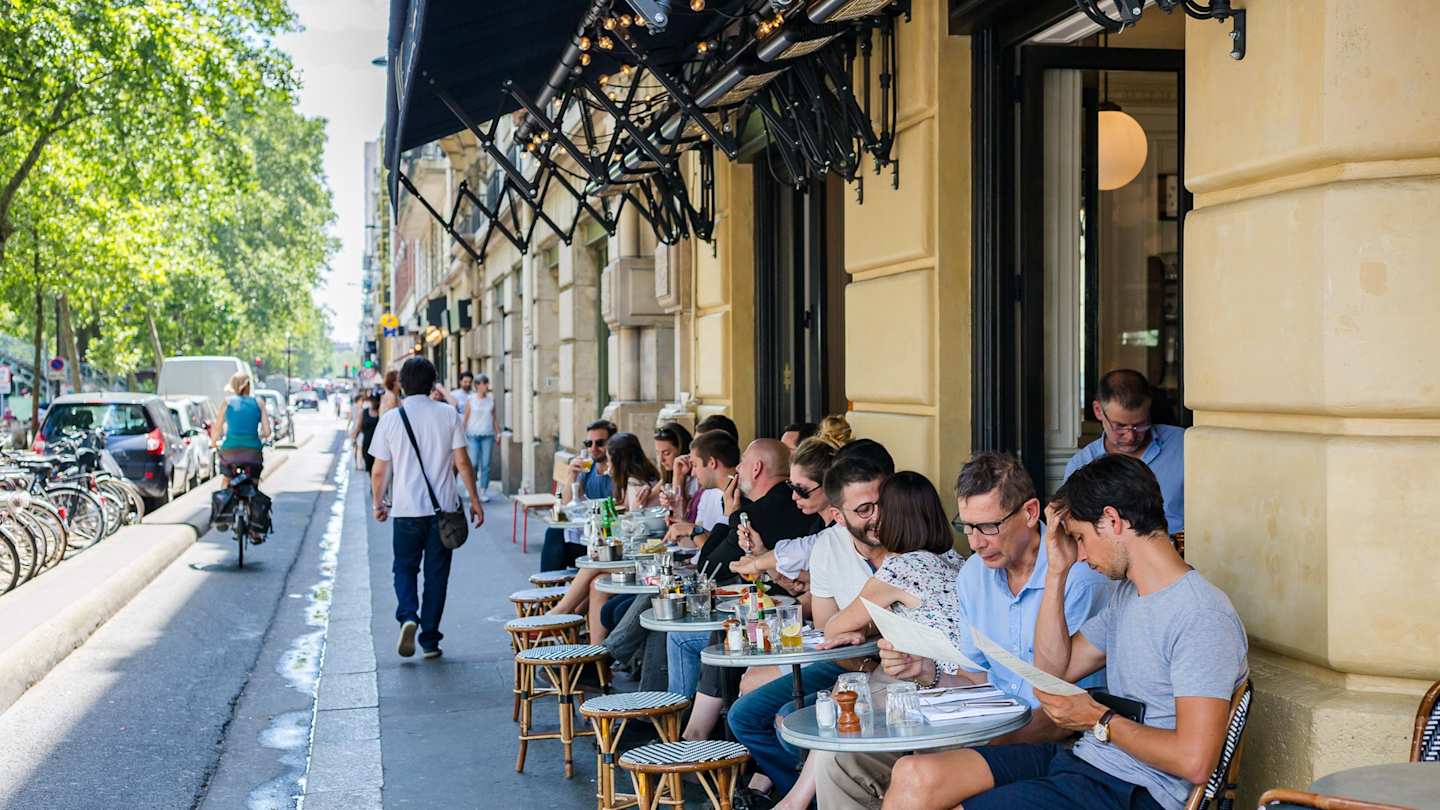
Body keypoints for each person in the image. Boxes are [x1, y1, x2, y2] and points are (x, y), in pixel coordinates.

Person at [881, 454, 1248, 810]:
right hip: (1088, 760)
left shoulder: (1201, 615)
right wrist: (1057, 571)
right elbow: (1050, 675)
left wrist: (1099, 720)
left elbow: (1195, 761)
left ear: (1112, 521)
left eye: (1081, 538)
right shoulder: (1127, 596)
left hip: (1131, 788)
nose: (1082, 555)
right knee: (915, 774)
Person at [816, 452, 1113, 809]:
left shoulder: (1079, 577)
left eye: (988, 527)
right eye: (967, 527)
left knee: (920, 774)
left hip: (1044, 737)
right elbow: (976, 679)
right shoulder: (975, 574)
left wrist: (978, 745)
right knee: (840, 763)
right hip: (980, 727)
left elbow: (1067, 709)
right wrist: (925, 670)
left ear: (1031, 513)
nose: (974, 542)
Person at [724, 454, 890, 803]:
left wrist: (861, 631)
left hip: (890, 672)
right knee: (745, 717)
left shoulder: (907, 539)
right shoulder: (829, 546)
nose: (876, 516)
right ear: (838, 516)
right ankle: (800, 796)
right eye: (863, 510)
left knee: (791, 720)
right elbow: (828, 630)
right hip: (847, 663)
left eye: (881, 504)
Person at [368, 356, 485, 660]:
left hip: (406, 510)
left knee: (404, 568)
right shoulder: (448, 414)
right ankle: (430, 640)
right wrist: (474, 500)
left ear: (403, 385)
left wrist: (377, 502)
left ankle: (408, 614)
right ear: (433, 383)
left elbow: (379, 471)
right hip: (442, 511)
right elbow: (463, 462)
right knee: (436, 576)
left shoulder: (391, 419)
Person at [1064, 369, 1184, 534]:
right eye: (1119, 426)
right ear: (1098, 411)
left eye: (1140, 424)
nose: (1130, 436)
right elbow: (1078, 533)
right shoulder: (1080, 465)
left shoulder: (1184, 446)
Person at [539, 418, 617, 572]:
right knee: (554, 533)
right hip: (589, 538)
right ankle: (547, 588)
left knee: (556, 542)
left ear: (612, 444)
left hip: (610, 539)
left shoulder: (620, 470)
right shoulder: (588, 468)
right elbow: (566, 504)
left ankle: (549, 589)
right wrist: (571, 476)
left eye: (600, 443)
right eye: (589, 444)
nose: (593, 448)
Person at [209, 371, 274, 542]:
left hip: (230, 453)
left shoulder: (227, 402)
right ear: (249, 386)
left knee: (226, 479)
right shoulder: (259, 403)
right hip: (253, 453)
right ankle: (254, 530)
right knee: (253, 485)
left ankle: (223, 516)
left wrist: (214, 443)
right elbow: (267, 432)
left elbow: (216, 429)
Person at [461, 373, 498, 501]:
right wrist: (461, 436)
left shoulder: (491, 399)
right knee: (474, 463)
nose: (487, 386)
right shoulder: (470, 399)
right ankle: (470, 487)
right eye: (484, 383)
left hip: (487, 434)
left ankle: (483, 491)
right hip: (472, 435)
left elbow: (494, 417)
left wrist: (497, 433)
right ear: (477, 385)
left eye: (487, 383)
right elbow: (465, 418)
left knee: (486, 464)